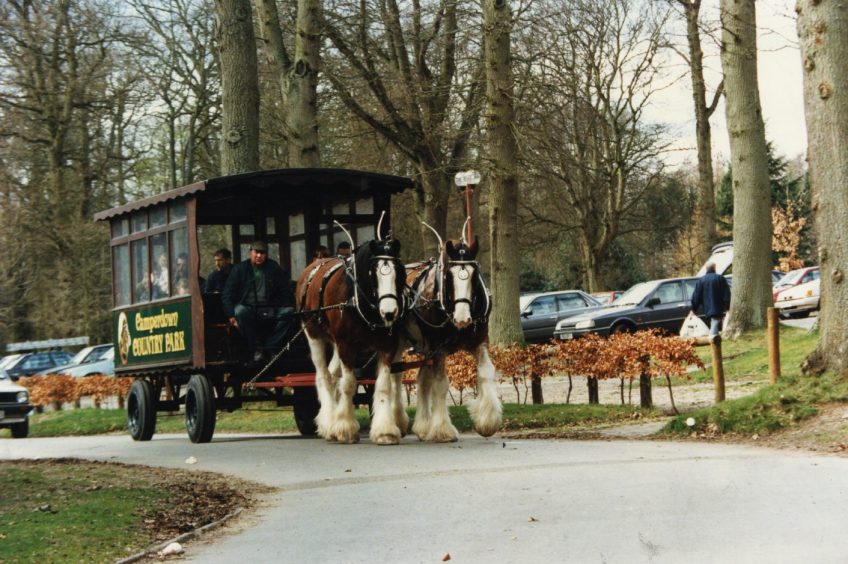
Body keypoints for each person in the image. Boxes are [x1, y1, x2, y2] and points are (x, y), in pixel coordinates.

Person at [222, 240, 295, 364]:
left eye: (263, 253)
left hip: (270, 308)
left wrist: (288, 304)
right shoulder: (240, 269)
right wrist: (231, 316)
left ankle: (270, 346)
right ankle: (257, 349)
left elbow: (285, 290)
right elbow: (227, 295)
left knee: (290, 312)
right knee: (240, 310)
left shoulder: (273, 267)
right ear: (251, 252)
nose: (259, 256)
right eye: (256, 252)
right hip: (249, 308)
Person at [691, 261, 731, 338]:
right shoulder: (720, 278)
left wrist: (693, 309)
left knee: (714, 322)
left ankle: (714, 338)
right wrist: (727, 307)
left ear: (706, 269)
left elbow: (696, 296)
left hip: (707, 307)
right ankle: (712, 338)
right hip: (718, 306)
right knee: (715, 322)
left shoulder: (701, 281)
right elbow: (726, 294)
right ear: (714, 268)